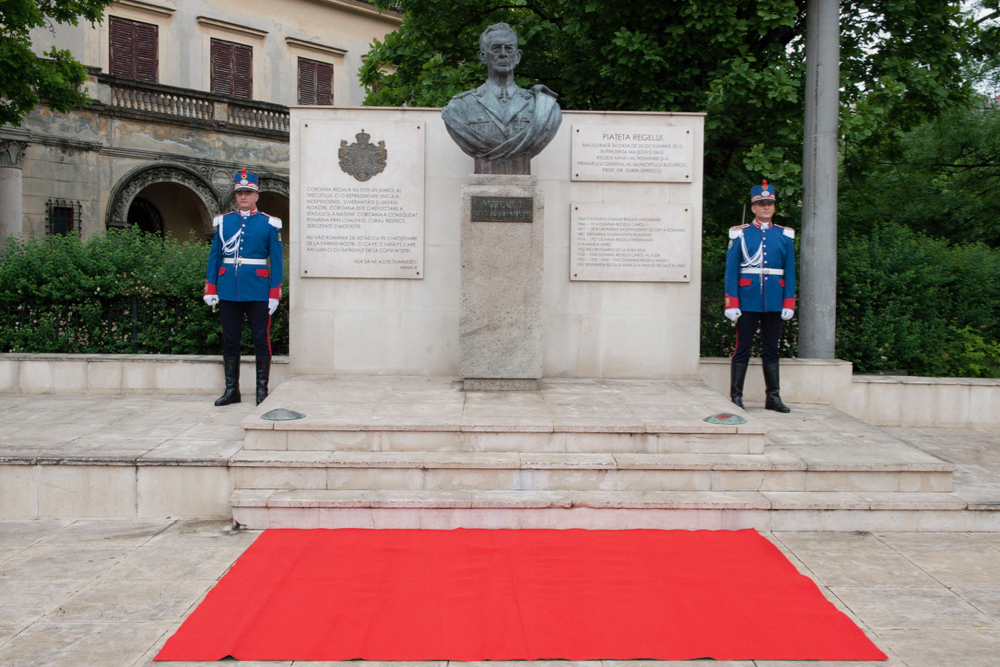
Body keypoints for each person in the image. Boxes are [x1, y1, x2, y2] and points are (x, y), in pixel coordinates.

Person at [203, 169, 283, 406]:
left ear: (256, 195)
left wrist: (274, 292)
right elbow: (215, 257)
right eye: (240, 193)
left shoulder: (269, 223)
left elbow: (276, 262)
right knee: (230, 340)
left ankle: (261, 391)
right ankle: (232, 391)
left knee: (260, 339)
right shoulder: (224, 222)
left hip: (258, 289)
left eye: (248, 193)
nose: (243, 197)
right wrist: (211, 288)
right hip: (228, 288)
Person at [441, 23, 561, 168]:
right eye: (496, 48)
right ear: (483, 57)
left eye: (509, 48)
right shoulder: (459, 107)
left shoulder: (542, 107)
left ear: (517, 57)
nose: (503, 53)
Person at [724, 180, 796, 412]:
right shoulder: (740, 234)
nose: (766, 208)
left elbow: (791, 271)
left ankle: (773, 398)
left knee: (771, 349)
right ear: (753, 207)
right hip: (747, 299)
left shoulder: (784, 235)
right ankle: (736, 396)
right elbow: (731, 270)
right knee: (742, 347)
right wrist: (731, 302)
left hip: (774, 300)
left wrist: (788, 301)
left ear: (774, 207)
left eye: (770, 204)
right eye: (761, 204)